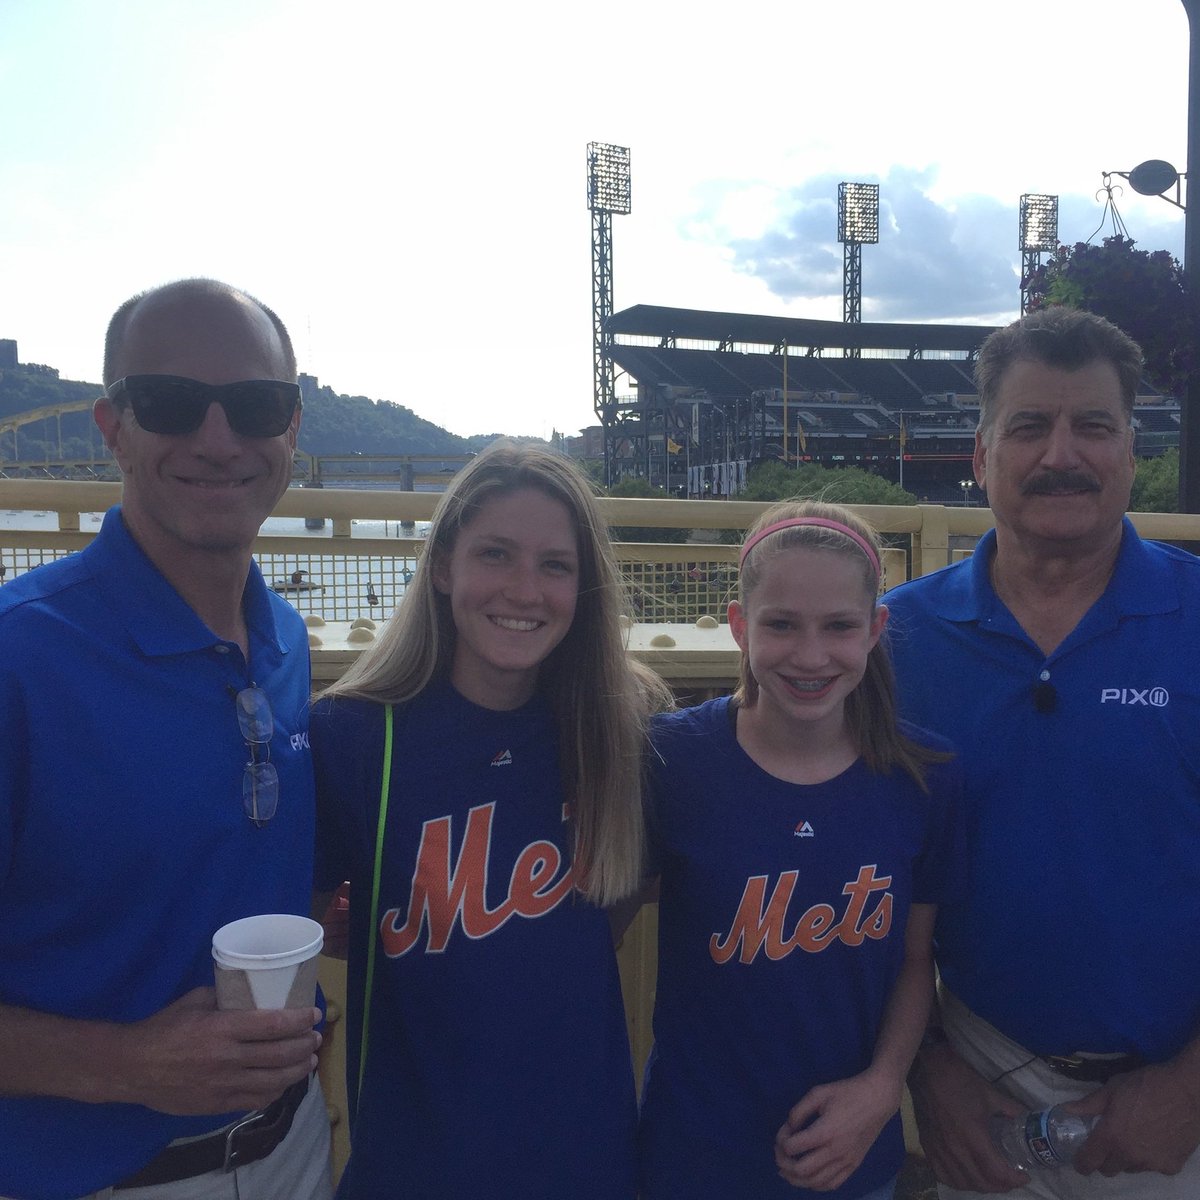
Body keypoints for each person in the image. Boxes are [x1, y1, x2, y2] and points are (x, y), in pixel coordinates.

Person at [0, 279, 332, 1200]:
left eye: (255, 406)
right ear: (114, 426)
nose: (218, 440)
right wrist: (128, 1064)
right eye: (172, 403)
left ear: (291, 428)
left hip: (294, 1146)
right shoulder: (20, 657)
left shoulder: (285, 641)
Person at [886, 306, 1200, 1199]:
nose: (1061, 454)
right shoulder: (895, 641)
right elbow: (854, 874)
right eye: (1029, 427)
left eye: (1093, 427)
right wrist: (929, 1069)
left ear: (1131, 452)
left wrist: (1189, 1088)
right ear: (982, 456)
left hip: (1181, 1097)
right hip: (983, 1087)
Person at [310, 442, 671, 1199]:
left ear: (585, 586)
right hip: (416, 1166)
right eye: (496, 554)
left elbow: (627, 891)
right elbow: (297, 926)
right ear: (443, 566)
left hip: (587, 1160)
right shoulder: (353, 738)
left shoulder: (623, 727)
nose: (524, 590)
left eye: (555, 566)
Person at [637, 499, 964, 1200]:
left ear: (875, 630)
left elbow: (914, 959)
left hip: (852, 1161)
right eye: (780, 624)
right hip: (696, 1156)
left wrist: (882, 1089)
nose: (810, 656)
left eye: (840, 626)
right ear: (738, 626)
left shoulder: (921, 778)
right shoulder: (672, 760)